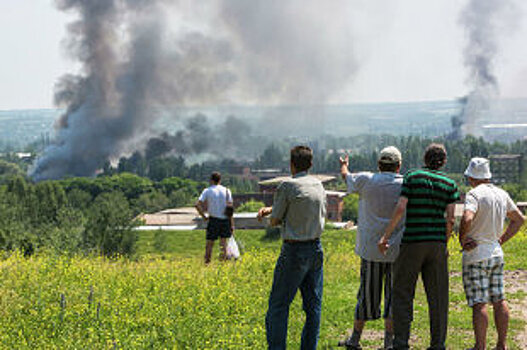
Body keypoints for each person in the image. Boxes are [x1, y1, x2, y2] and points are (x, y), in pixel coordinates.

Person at [378, 143, 459, 350]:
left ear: (425, 158)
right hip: (437, 245)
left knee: (403, 293)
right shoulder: (450, 184)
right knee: (438, 297)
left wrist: (385, 236)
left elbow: (401, 208)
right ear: (444, 161)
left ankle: (401, 343)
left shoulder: (412, 176)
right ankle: (437, 344)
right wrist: (444, 242)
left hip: (412, 242)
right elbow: (450, 219)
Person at [257, 145, 327, 350]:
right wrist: (273, 209)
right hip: (315, 248)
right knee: (313, 307)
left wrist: (269, 213)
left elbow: (275, 220)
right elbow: (302, 207)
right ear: (311, 164)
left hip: (294, 251)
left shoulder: (287, 185)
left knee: (278, 306)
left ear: (291, 164)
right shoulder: (318, 185)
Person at [337, 146, 405, 350]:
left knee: (366, 295)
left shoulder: (366, 180)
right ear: (399, 166)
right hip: (396, 250)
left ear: (379, 164)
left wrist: (344, 165)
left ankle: (355, 339)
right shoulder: (405, 185)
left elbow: (346, 177)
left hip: (370, 250)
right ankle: (389, 342)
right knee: (393, 297)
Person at [458, 157, 525, 350]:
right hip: (496, 253)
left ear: (472, 177)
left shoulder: (474, 194)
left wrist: (462, 239)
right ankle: (501, 345)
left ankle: (480, 346)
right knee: (499, 299)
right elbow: (519, 220)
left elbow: (467, 216)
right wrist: (501, 239)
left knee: (479, 303)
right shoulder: (501, 193)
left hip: (476, 255)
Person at [195, 171, 234, 264]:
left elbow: (197, 204)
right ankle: (223, 264)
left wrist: (204, 216)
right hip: (225, 220)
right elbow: (230, 210)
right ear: (220, 180)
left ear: (211, 180)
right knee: (223, 244)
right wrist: (232, 224)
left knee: (209, 244)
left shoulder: (207, 191)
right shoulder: (227, 191)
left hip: (213, 219)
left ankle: (207, 263)